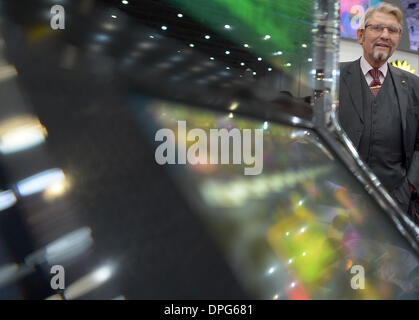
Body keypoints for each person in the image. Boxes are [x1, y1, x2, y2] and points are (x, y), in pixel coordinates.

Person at [338, 2, 419, 222]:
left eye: (392, 30)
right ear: (361, 35)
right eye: (377, 28)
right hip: (341, 196)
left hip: (396, 199)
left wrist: (410, 185)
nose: (385, 35)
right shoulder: (335, 77)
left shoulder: (413, 85)